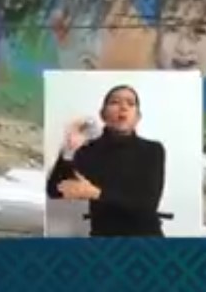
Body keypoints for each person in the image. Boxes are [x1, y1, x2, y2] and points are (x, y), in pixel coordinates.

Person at [45, 84, 167, 237]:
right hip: (103, 242)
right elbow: (54, 190)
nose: (123, 107)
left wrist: (96, 193)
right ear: (103, 115)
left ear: (137, 117)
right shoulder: (88, 151)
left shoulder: (152, 150)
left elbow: (147, 205)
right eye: (115, 102)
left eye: (130, 103)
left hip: (147, 240)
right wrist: (69, 149)